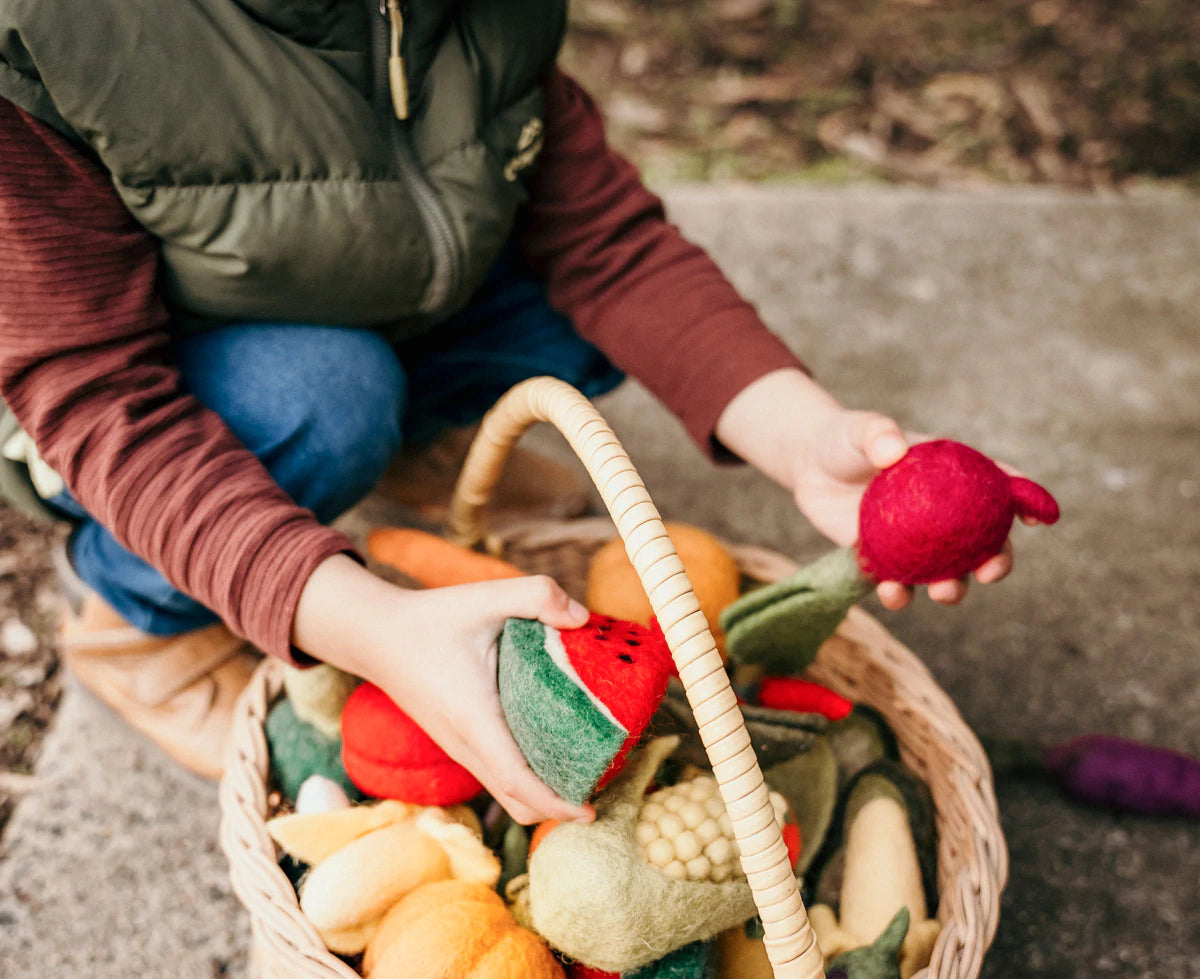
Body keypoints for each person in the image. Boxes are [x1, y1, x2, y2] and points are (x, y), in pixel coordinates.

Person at [0, 2, 1019, 825]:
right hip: (139, 391)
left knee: (579, 329)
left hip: (368, 274)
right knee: (333, 401)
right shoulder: (56, 32)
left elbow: (604, 240)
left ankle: (414, 438)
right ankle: (136, 616)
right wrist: (375, 627)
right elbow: (97, 395)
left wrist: (801, 437)